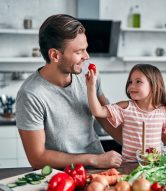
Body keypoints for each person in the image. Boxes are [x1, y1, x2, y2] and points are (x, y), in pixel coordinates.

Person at [15, 14, 122, 169]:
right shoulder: (31, 94)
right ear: (55, 55)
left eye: (86, 49)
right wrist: (93, 159)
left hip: (99, 169)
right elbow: (37, 158)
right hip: (61, 176)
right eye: (79, 52)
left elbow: (107, 119)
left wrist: (138, 145)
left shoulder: (87, 75)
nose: (87, 56)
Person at [86, 64, 166, 162]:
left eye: (138, 81)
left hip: (154, 165)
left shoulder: (162, 111)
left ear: (154, 86)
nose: (131, 86)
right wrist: (91, 87)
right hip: (129, 166)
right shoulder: (126, 107)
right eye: (130, 82)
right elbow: (97, 111)